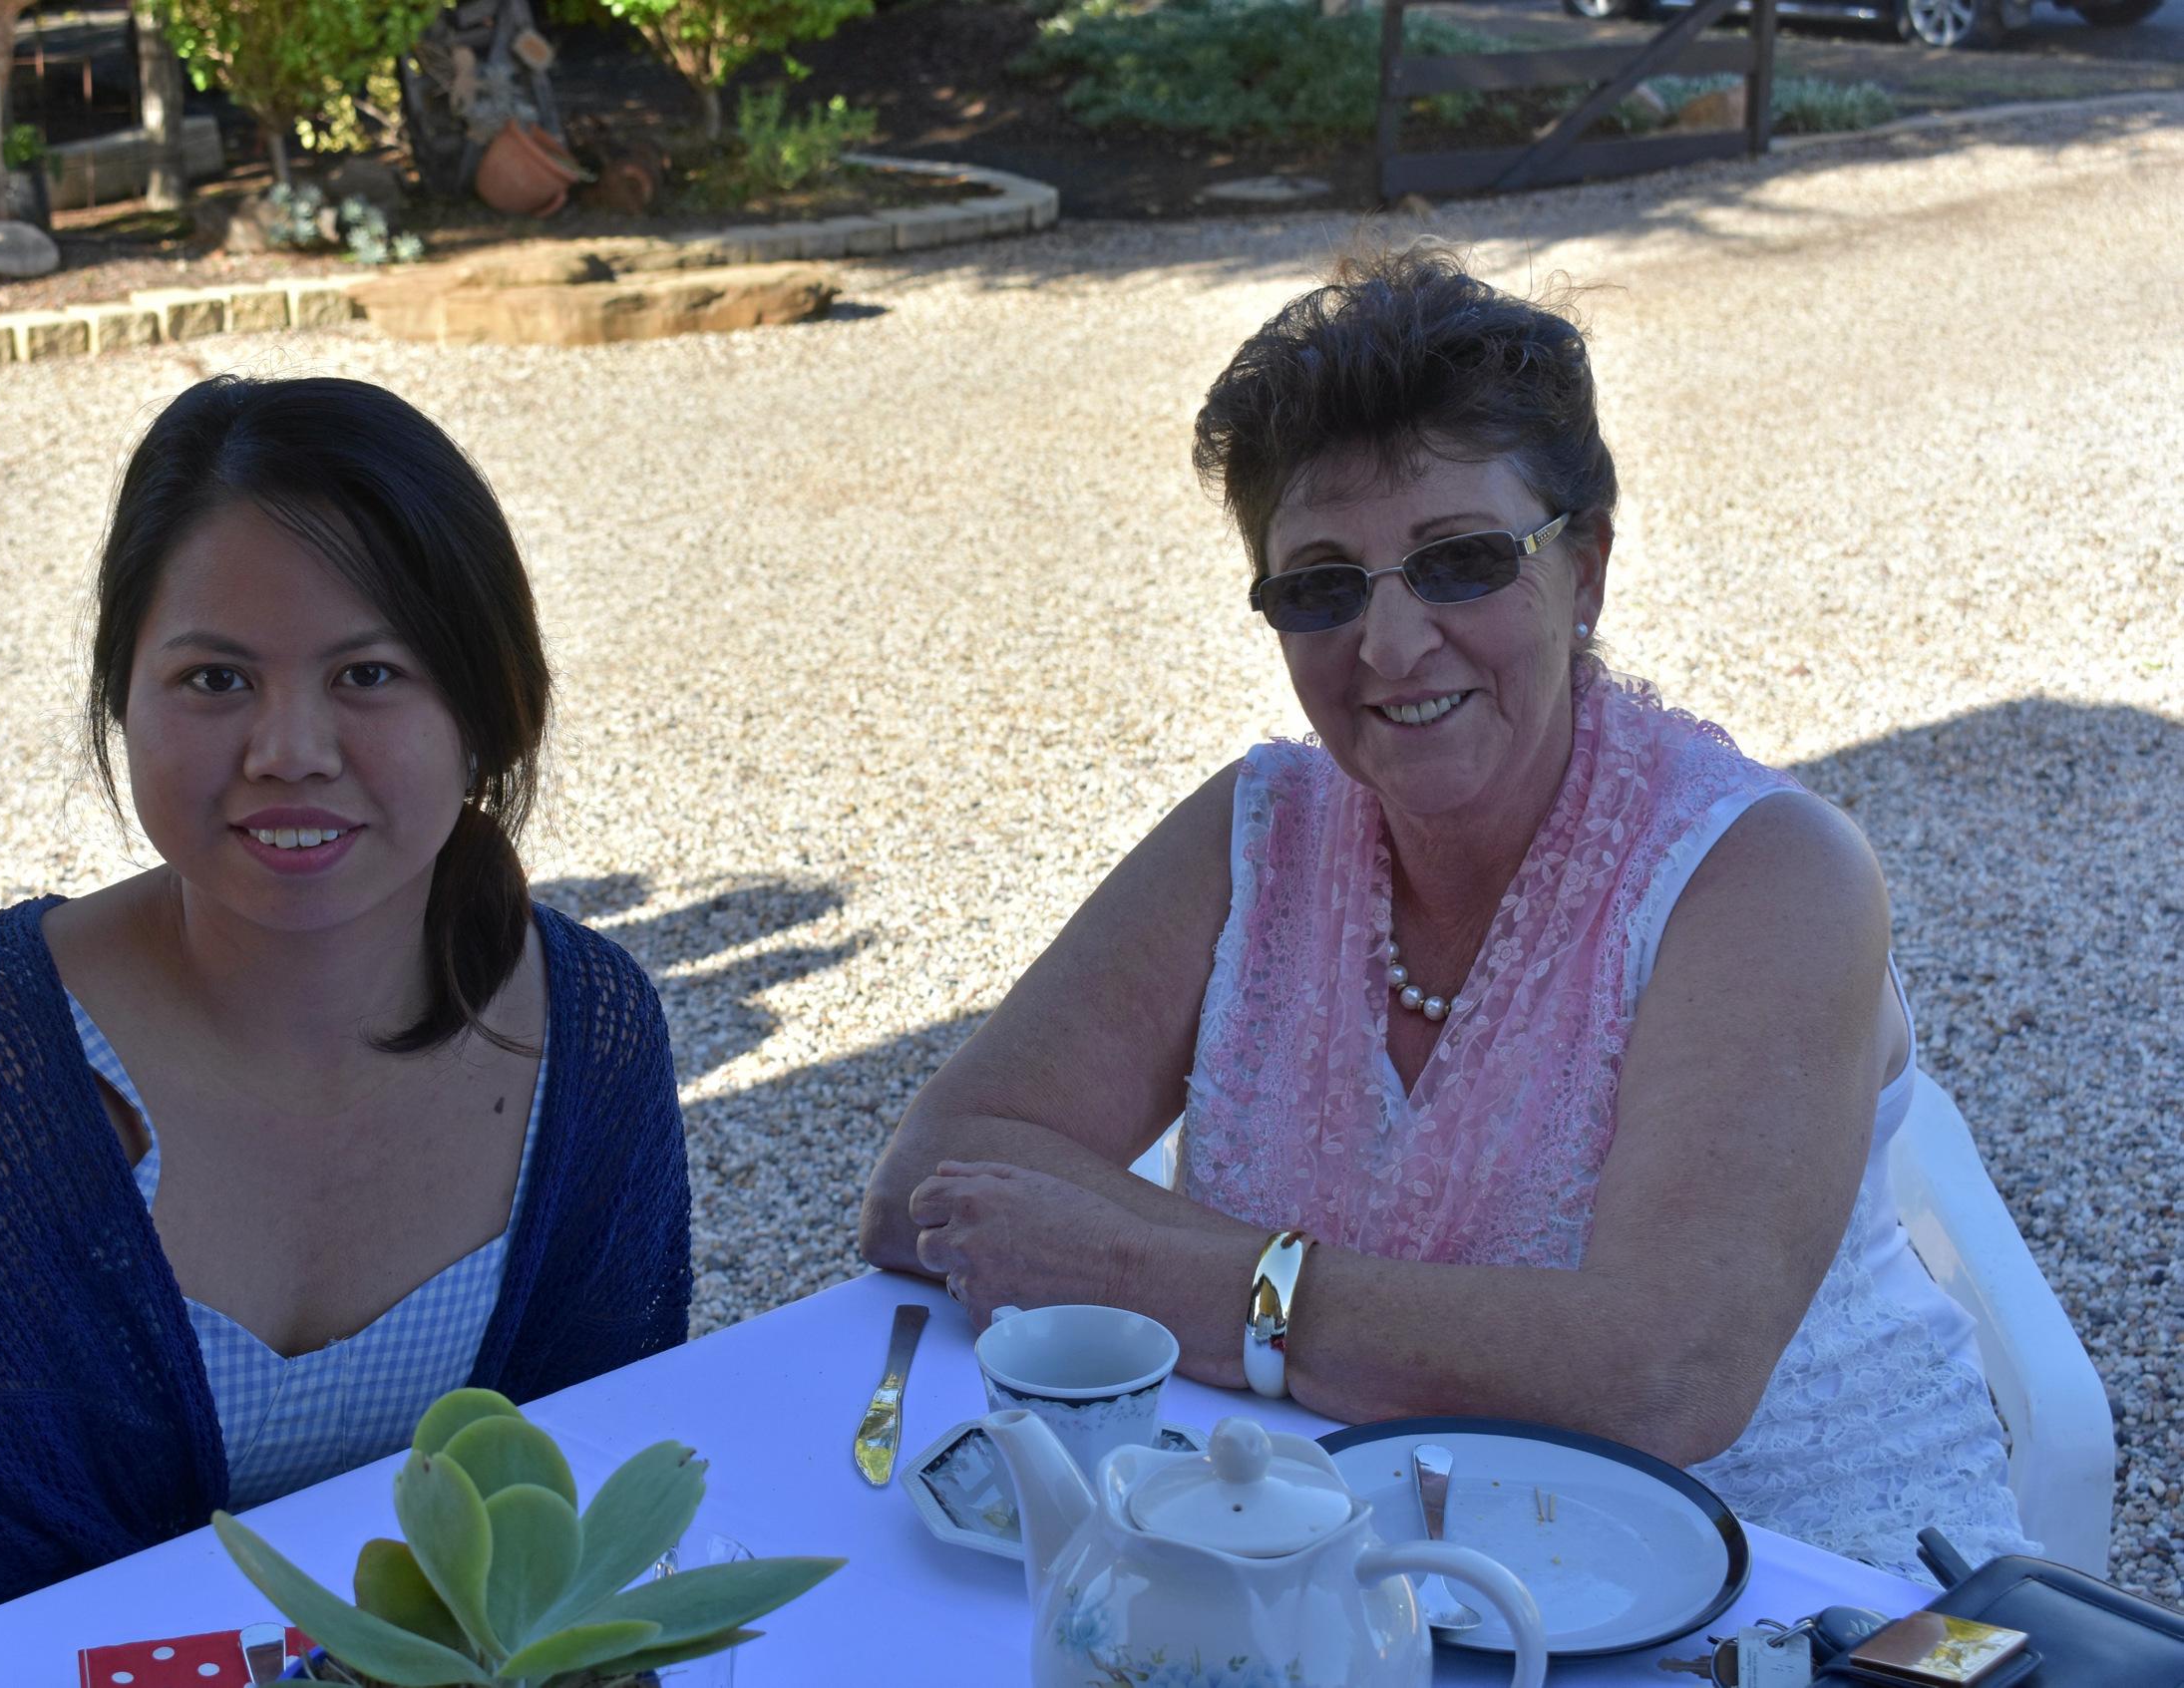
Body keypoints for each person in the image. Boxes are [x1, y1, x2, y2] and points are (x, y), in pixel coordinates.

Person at [860, 246, 2035, 1578]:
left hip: (1785, 1583)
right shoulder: (1257, 832)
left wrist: (1150, 1272)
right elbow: (929, 1181)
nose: (1391, 642)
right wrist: (1400, 1328)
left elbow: (1663, 1374)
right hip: (1333, 1558)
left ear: (1582, 569)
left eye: (1460, 560)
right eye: (1318, 584)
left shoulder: (1763, 877)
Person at [0, 376, 692, 1664]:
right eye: (215, 677)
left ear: (487, 703)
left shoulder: (588, 1039)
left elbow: (581, 1500)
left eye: (368, 671)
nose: (288, 747)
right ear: (125, 701)